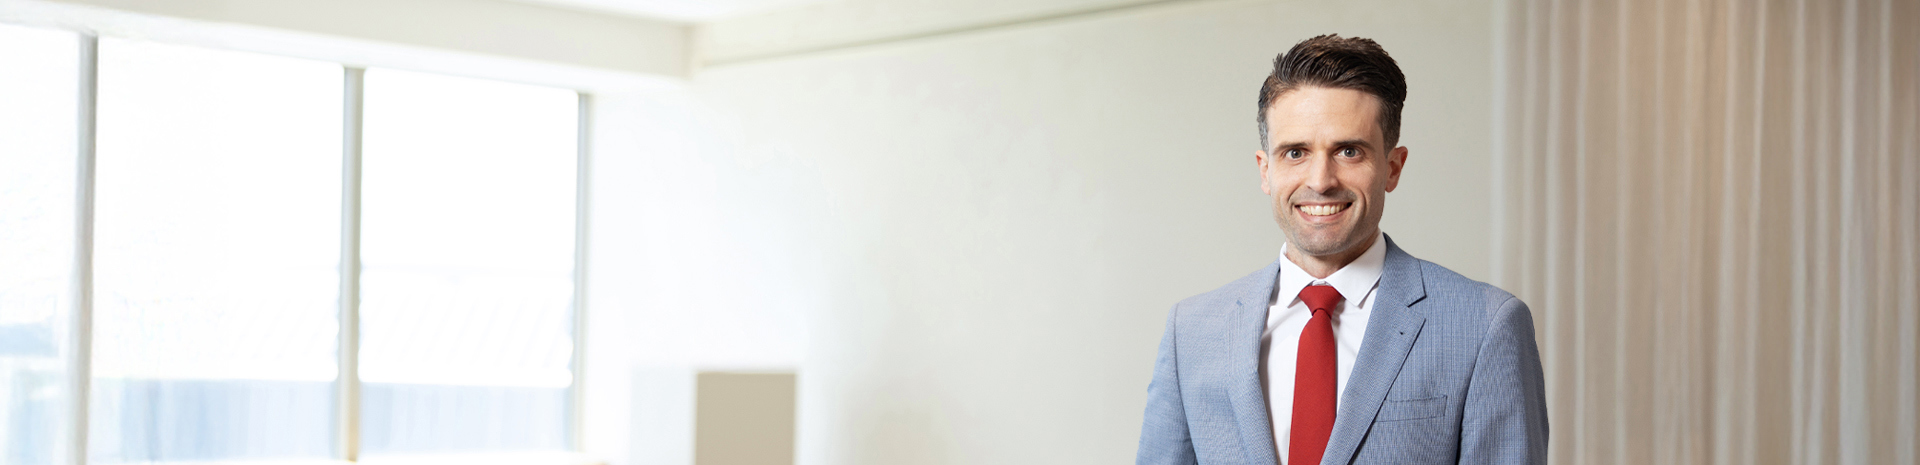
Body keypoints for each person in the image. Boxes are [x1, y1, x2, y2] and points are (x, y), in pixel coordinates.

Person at [1135, 35, 1548, 465]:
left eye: (1348, 151)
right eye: (1295, 152)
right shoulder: (1193, 333)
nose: (1320, 179)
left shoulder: (1485, 326)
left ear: (1392, 167)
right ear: (1266, 170)